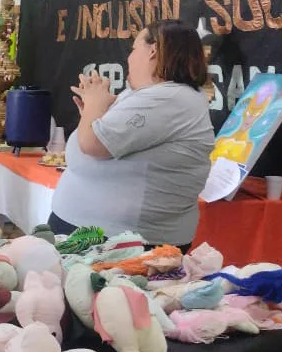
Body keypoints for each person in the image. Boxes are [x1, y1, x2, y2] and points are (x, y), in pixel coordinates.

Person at [51, 20, 214, 246]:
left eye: (134, 48)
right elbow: (103, 132)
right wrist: (93, 111)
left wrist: (95, 103)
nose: (129, 57)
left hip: (121, 241)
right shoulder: (149, 94)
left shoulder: (168, 98)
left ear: (153, 51)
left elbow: (92, 144)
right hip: (96, 232)